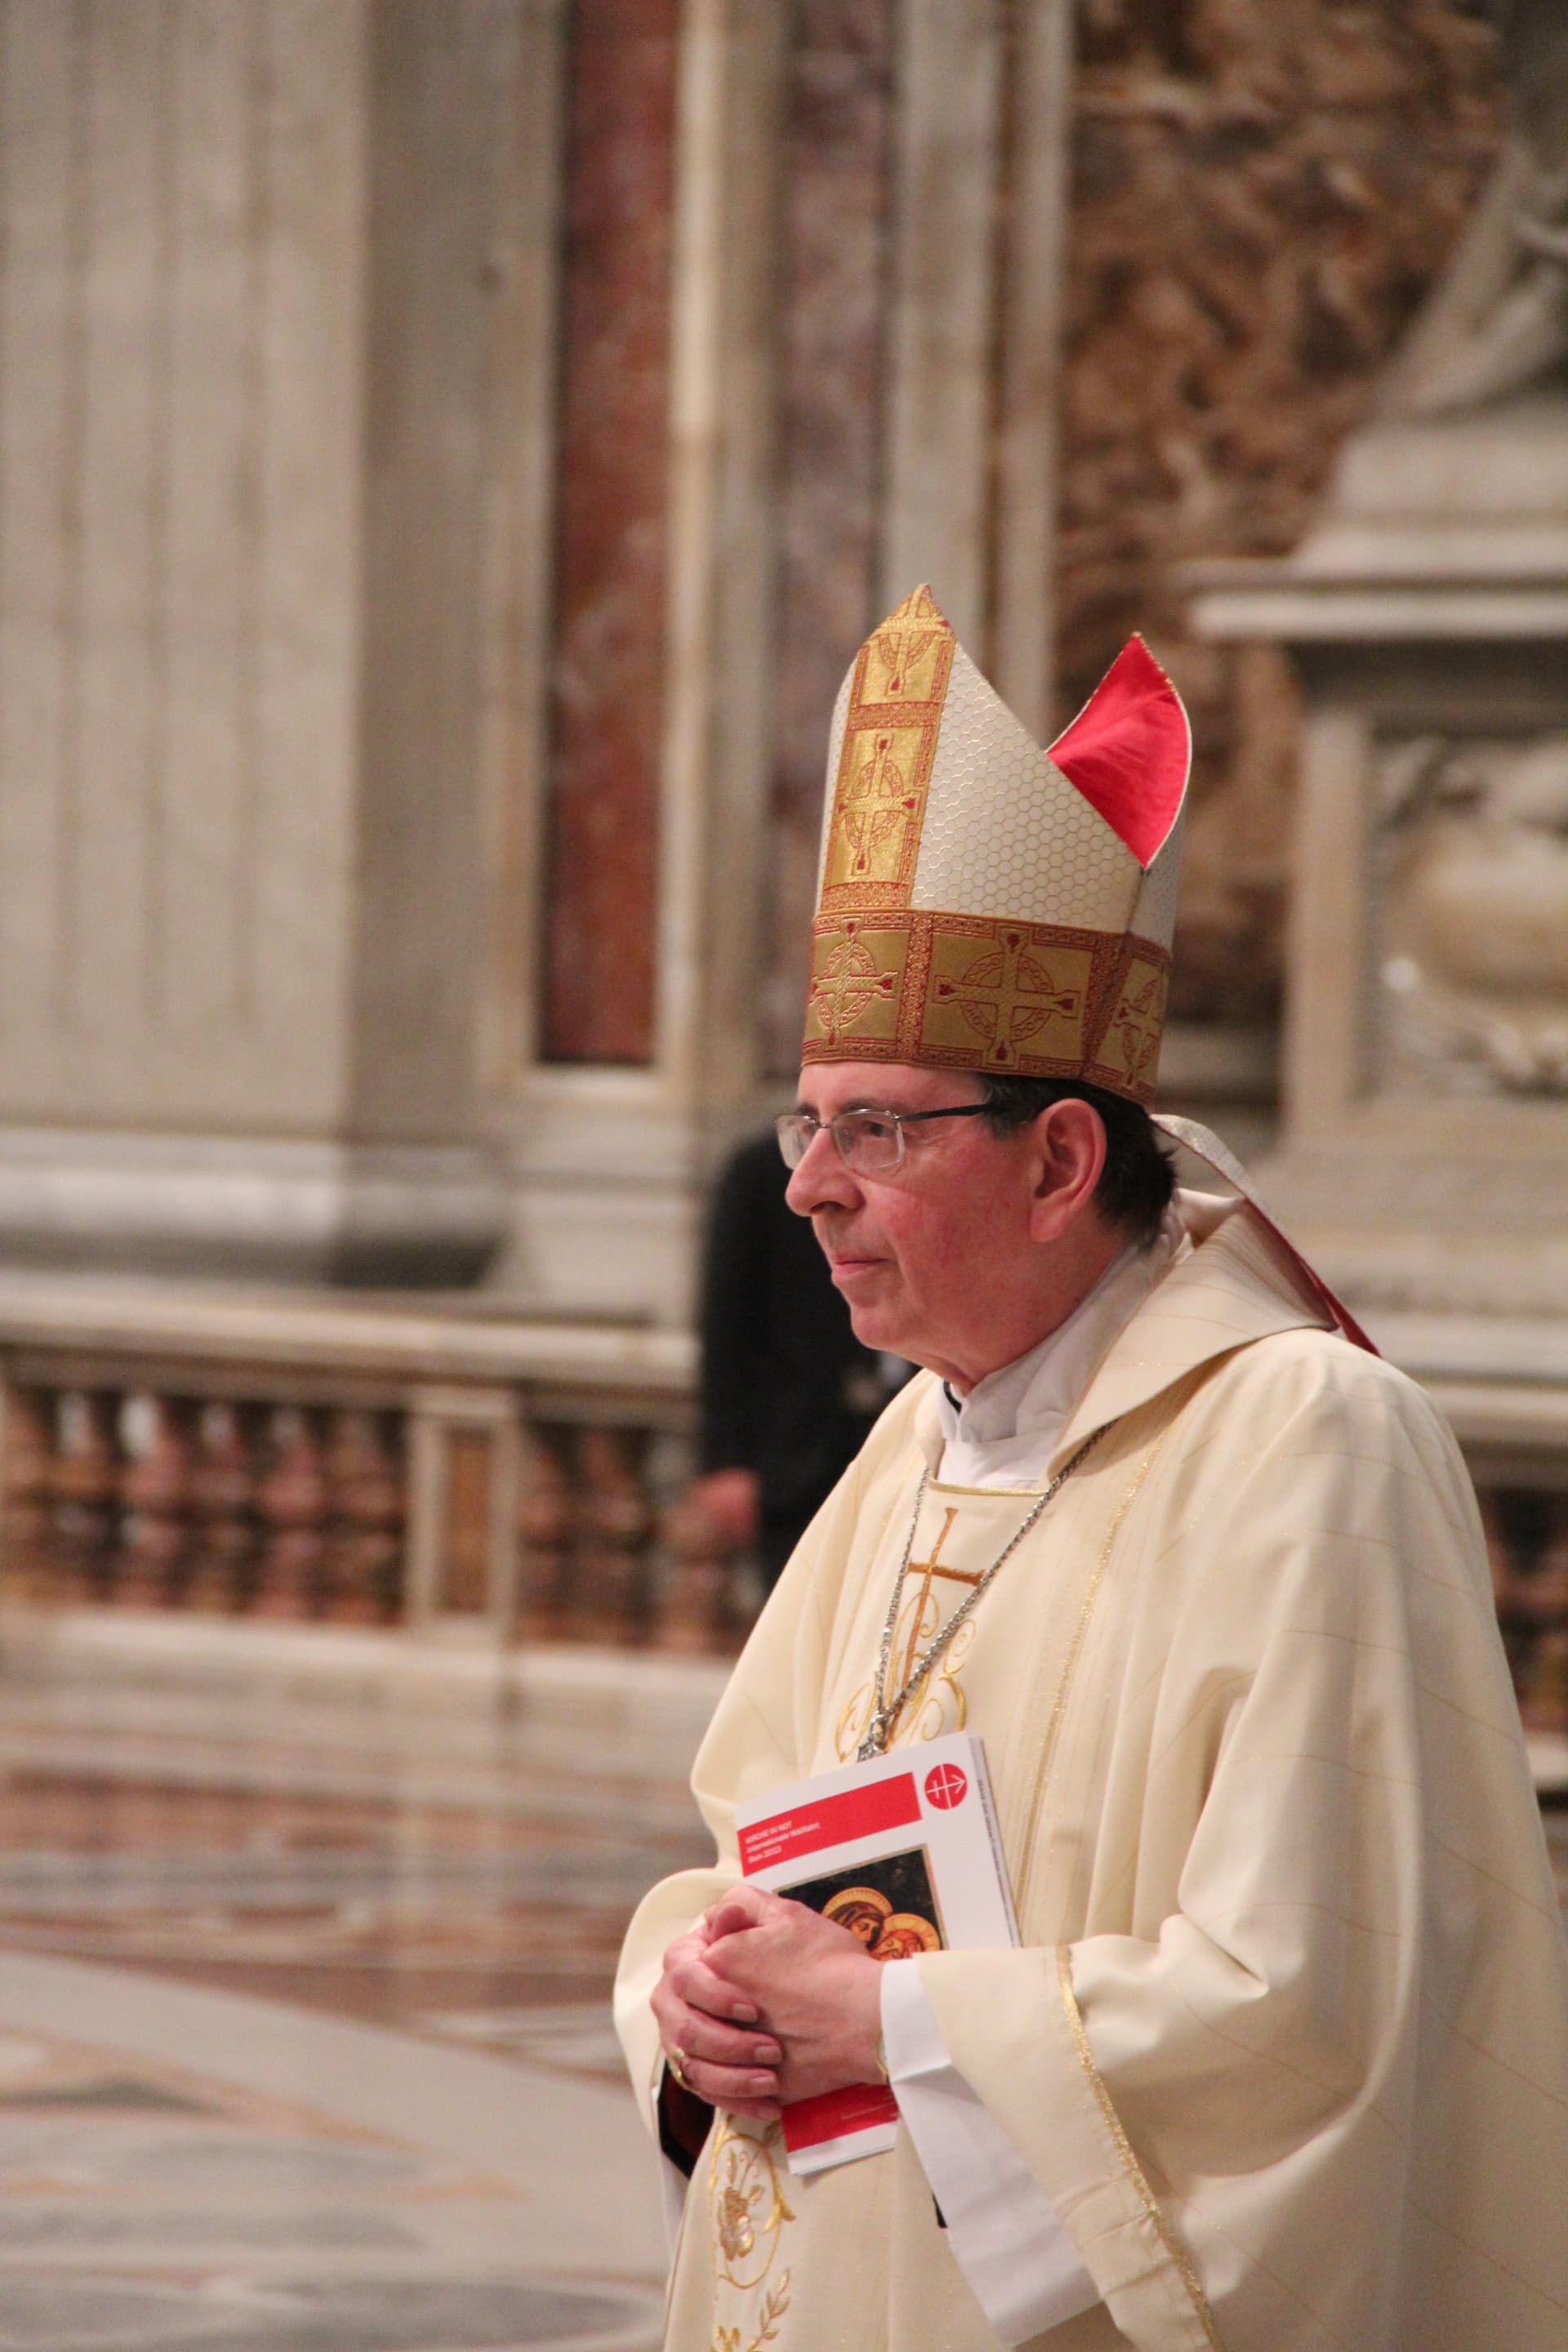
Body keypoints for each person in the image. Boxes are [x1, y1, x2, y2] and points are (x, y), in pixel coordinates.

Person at [616, 587, 1568, 2350]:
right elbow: (749, 1851)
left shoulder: (1304, 1442)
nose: (809, 1185)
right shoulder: (922, 1433)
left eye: (877, 1129)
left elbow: (1317, 2015)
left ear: (1062, 1159)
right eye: (804, 1122)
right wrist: (696, 2003)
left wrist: (890, 2029)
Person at [685, 1125, 906, 1592]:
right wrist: (726, 1458)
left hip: (905, 1458)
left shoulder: (905, 1163)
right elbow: (725, 1321)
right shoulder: (760, 1170)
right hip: (795, 1462)